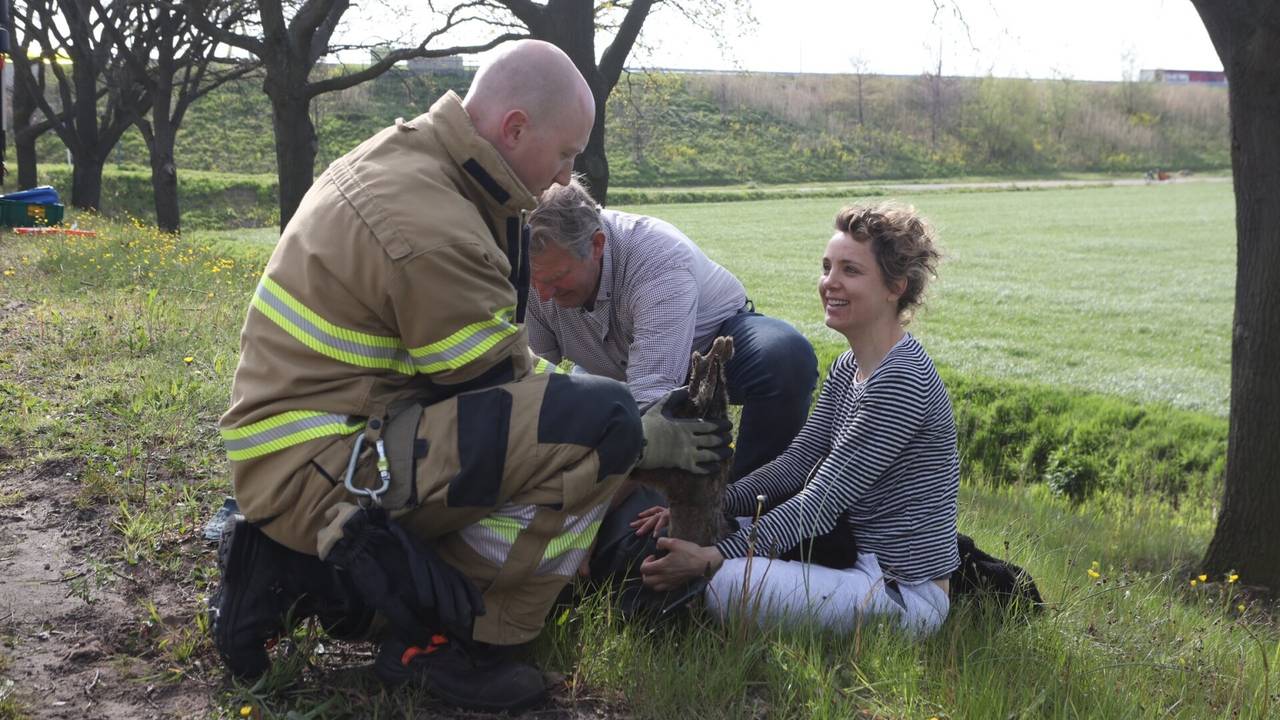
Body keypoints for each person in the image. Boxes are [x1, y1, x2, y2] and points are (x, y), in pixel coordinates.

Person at [210, 40, 729, 712]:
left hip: (312, 444)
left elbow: (495, 372)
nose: (568, 176)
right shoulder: (433, 222)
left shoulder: (427, 167)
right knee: (597, 425)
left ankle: (304, 576)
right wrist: (642, 439)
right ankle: (460, 640)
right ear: (515, 129)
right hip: (317, 463)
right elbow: (503, 394)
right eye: (566, 154)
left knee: (566, 427)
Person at [638, 202, 960, 635]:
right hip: (850, 555)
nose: (830, 283)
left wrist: (715, 558)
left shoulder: (901, 380)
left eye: (851, 270)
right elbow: (795, 465)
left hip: (900, 590)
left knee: (725, 584)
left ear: (895, 287)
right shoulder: (850, 367)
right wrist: (705, 504)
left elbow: (820, 503)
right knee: (709, 539)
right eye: (827, 267)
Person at [525, 178, 818, 481]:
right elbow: (532, 383)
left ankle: (747, 497)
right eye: (535, 281)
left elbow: (652, 398)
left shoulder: (658, 256)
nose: (543, 294)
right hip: (611, 373)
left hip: (705, 346)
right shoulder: (535, 277)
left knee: (784, 358)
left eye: (557, 277)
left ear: (597, 245)